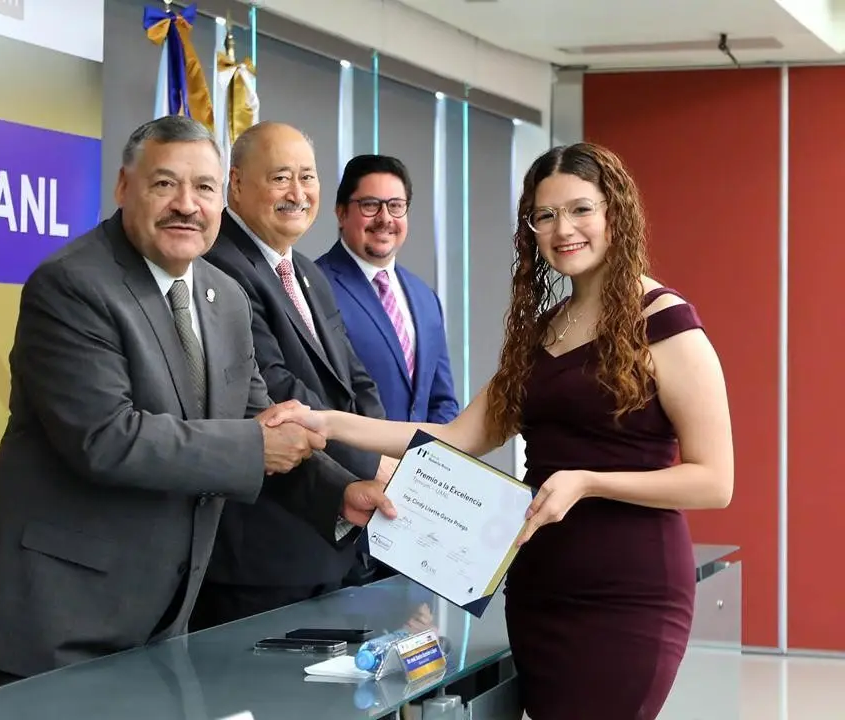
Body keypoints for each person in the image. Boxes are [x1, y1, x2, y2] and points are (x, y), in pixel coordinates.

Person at [268, 142, 734, 720]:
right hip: (538, 585)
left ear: (615, 211)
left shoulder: (664, 322)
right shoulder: (544, 332)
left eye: (581, 209)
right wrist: (326, 422)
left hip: (630, 592)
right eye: (546, 215)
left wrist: (588, 482)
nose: (564, 228)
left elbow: (715, 482)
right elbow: (456, 437)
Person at [0, 115, 396, 687]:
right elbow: (108, 439)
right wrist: (259, 443)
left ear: (222, 197)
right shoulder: (72, 285)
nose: (186, 205)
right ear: (123, 188)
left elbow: (256, 423)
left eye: (204, 188)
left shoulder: (225, 296)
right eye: (165, 184)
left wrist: (341, 493)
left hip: (166, 620)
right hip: (60, 622)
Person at [191, 122, 394, 630]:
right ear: (235, 185)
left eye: (308, 176)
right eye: (281, 177)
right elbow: (277, 391)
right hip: (263, 552)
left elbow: (356, 381)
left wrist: (384, 454)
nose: (297, 193)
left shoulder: (306, 270)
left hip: (330, 539)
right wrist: (374, 461)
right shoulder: (219, 268)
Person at [316, 154, 459, 586]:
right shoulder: (316, 287)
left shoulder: (423, 296)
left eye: (396, 206)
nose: (385, 219)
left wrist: (432, 483)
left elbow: (441, 401)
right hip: (347, 508)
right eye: (370, 205)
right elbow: (321, 401)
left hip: (415, 517)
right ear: (341, 212)